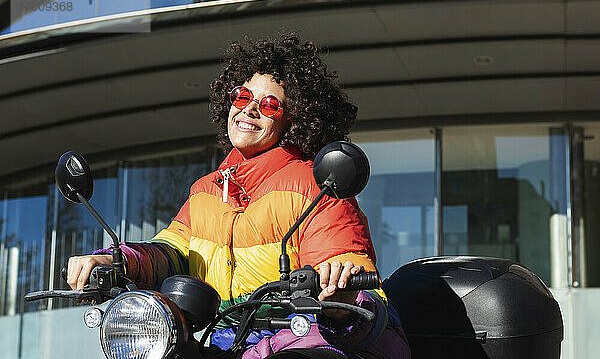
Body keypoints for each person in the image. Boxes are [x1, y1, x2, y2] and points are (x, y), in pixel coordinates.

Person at [67, 33, 410, 359]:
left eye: (270, 105)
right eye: (242, 97)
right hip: (229, 343)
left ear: (296, 120)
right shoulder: (207, 191)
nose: (249, 110)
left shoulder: (317, 187)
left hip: (309, 340)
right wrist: (113, 261)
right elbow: (171, 253)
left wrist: (341, 297)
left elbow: (358, 291)